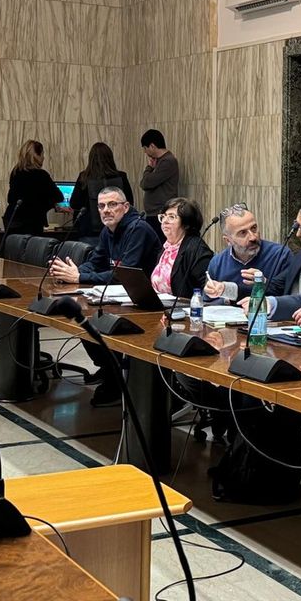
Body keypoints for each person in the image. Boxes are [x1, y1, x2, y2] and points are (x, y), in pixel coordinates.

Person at [48, 186, 161, 406]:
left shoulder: (138, 229)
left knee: (98, 322)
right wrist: (74, 274)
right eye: (101, 206)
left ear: (125, 207)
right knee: (84, 321)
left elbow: (123, 274)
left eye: (112, 204)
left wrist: (79, 276)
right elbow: (96, 262)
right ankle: (109, 368)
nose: (106, 210)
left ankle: (116, 378)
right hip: (120, 299)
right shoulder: (108, 230)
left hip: (145, 304)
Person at [202, 203, 291, 302]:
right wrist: (221, 295)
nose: (253, 237)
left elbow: (288, 298)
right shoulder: (217, 263)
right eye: (243, 233)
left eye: (254, 228)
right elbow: (207, 303)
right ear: (228, 240)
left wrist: (264, 283)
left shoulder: (281, 255)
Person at [70, 142, 134, 245]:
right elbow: (130, 202)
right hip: (117, 229)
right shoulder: (121, 176)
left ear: (91, 159)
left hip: (90, 231)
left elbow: (74, 203)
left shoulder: (84, 177)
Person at [150, 197, 213, 298]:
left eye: (171, 217)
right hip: (158, 303)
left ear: (186, 224)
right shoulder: (167, 247)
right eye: (163, 216)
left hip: (184, 306)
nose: (165, 221)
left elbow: (206, 289)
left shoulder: (197, 249)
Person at [4, 140, 63, 236]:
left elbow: (12, 198)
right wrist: (52, 204)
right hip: (32, 223)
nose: (44, 157)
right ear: (36, 155)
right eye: (42, 154)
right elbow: (58, 196)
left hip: (12, 220)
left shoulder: (15, 172)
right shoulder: (42, 175)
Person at [139, 129, 179, 242]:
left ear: (152, 146)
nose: (145, 152)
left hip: (161, 214)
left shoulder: (167, 161)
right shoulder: (159, 161)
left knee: (158, 245)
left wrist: (149, 168)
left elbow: (146, 183)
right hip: (155, 214)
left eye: (145, 148)